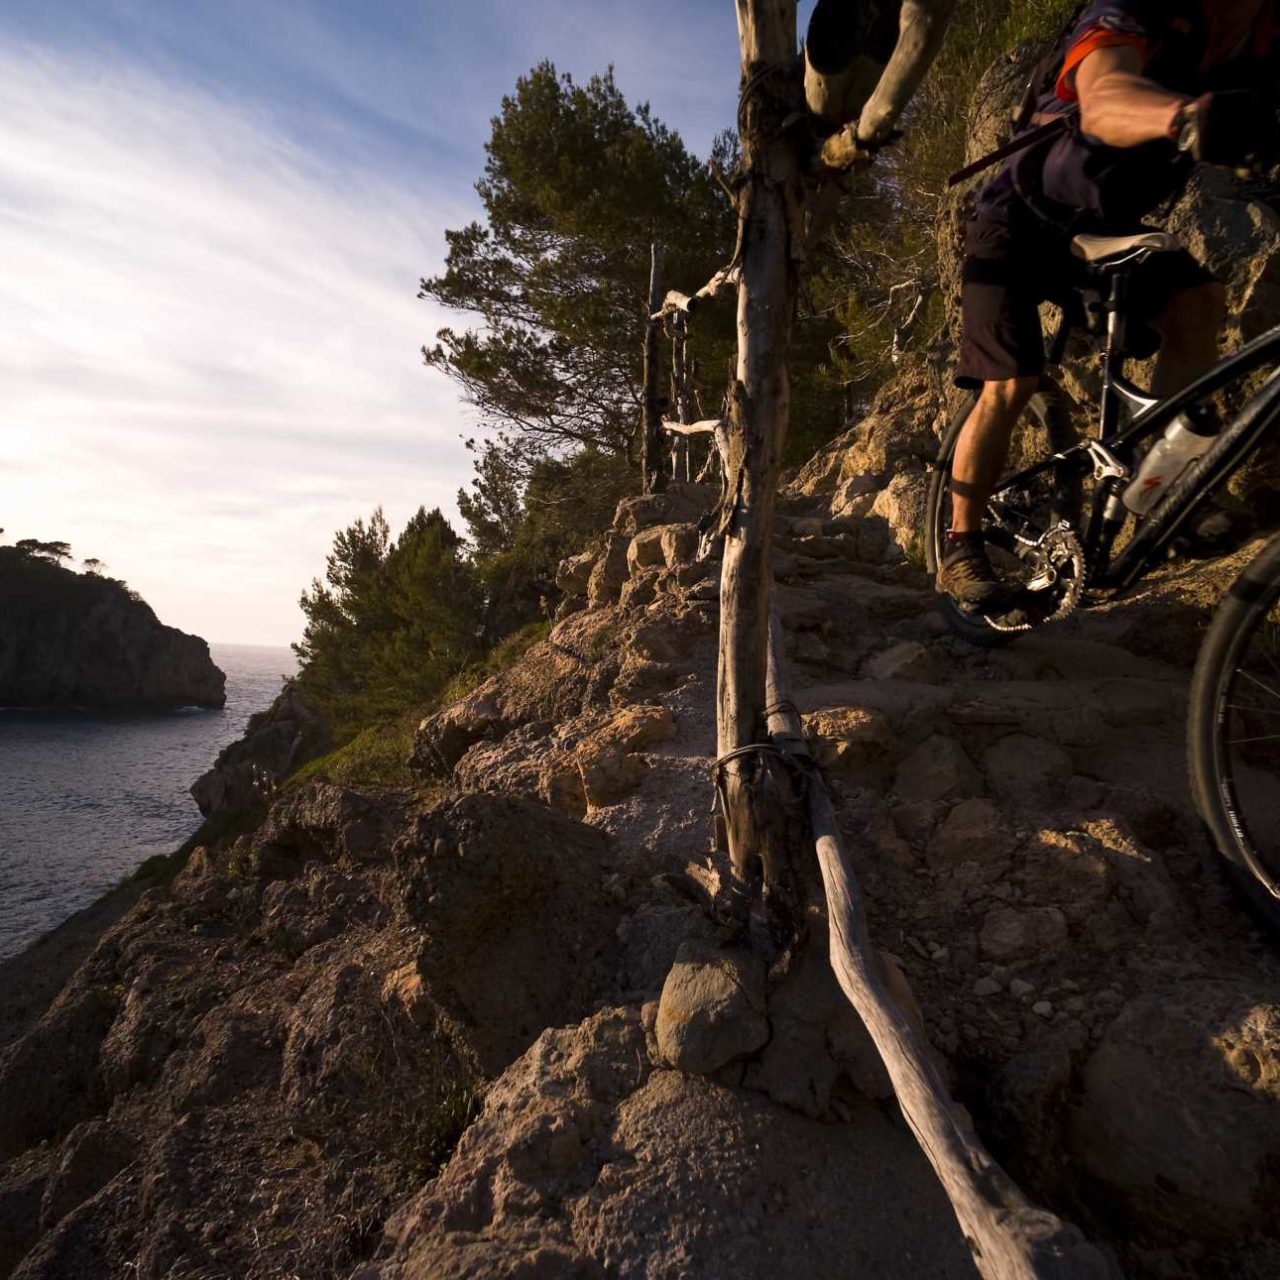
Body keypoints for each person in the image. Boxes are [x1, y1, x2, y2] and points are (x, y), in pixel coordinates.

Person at [939, 0, 1280, 607]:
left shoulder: (1262, 42)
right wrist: (1186, 118)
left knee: (1198, 303)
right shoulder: (1132, 8)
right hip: (1014, 220)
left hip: (1107, 225)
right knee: (1011, 381)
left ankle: (1164, 478)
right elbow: (1104, 95)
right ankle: (962, 546)